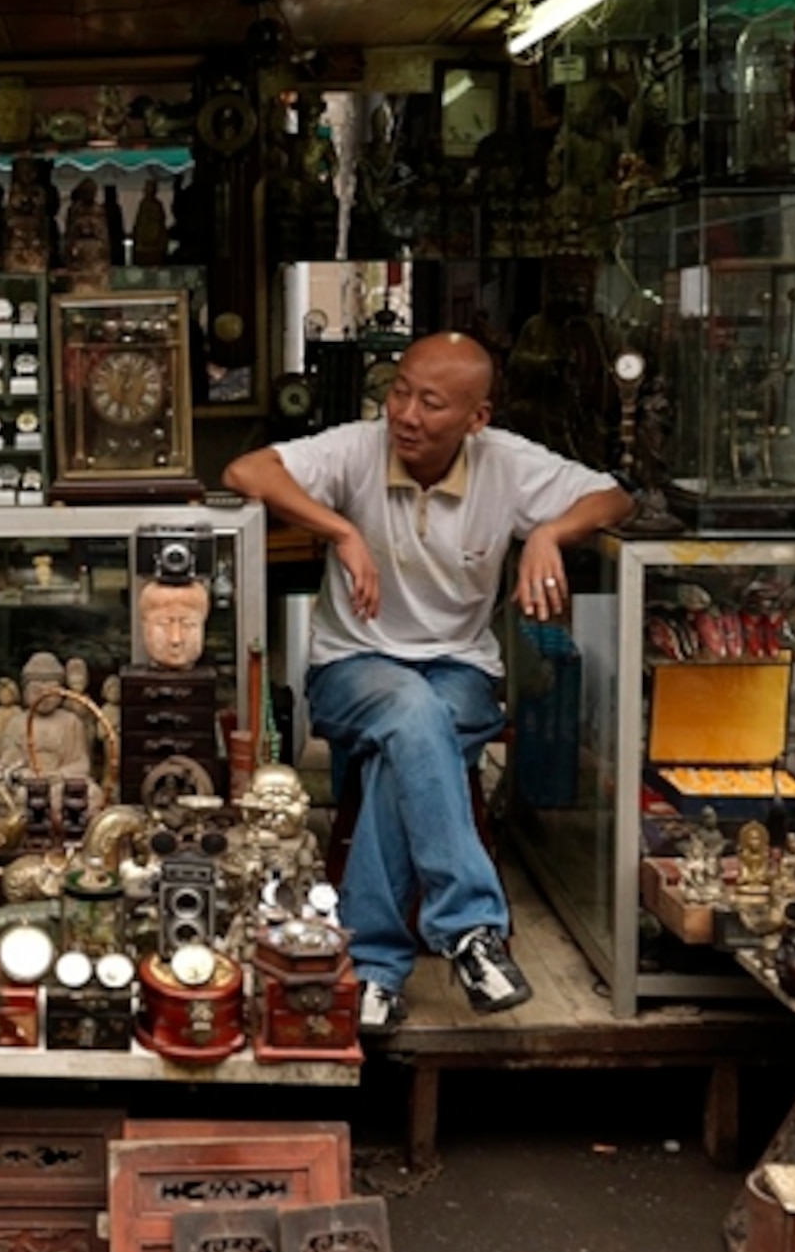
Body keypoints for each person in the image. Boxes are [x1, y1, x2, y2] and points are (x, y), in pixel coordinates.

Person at [227, 333, 629, 1031]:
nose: (406, 414)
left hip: (459, 672)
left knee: (408, 741)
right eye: (400, 392)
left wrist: (547, 534)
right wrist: (341, 531)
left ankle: (374, 970)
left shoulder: (506, 463)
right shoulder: (357, 448)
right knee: (413, 712)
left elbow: (615, 498)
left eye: (432, 403)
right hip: (353, 668)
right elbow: (246, 471)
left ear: (477, 419)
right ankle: (471, 929)